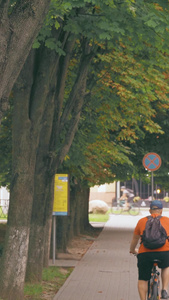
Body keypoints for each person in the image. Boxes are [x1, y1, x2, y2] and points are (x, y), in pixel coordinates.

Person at [129, 200, 169, 300]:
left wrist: (133, 250)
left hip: (145, 253)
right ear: (161, 210)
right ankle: (164, 289)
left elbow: (135, 239)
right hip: (163, 252)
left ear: (149, 210)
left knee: (143, 279)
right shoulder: (167, 221)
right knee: (166, 266)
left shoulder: (142, 221)